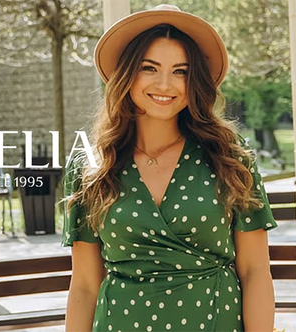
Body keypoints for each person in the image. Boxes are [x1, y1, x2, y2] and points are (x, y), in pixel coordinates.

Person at [62, 4, 278, 332]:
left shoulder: (230, 159)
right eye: (150, 68)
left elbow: (255, 271)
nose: (166, 84)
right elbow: (85, 286)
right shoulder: (90, 168)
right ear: (127, 73)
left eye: (181, 71)